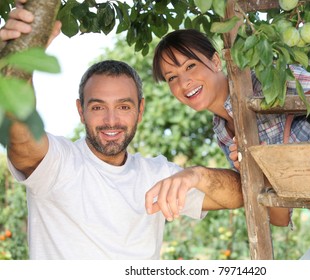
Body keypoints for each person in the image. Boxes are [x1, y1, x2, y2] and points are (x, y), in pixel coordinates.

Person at [0, 7, 244, 259]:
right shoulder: (59, 164)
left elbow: (240, 194)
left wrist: (197, 175)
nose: (111, 120)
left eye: (124, 106)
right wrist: (17, 65)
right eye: (98, 107)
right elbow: (21, 137)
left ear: (140, 111)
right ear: (80, 111)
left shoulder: (156, 174)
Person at [152, 29, 310, 260]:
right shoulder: (223, 133)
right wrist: (258, 169)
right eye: (172, 77)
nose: (184, 82)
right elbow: (280, 217)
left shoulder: (269, 81)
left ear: (215, 61)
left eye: (190, 66)